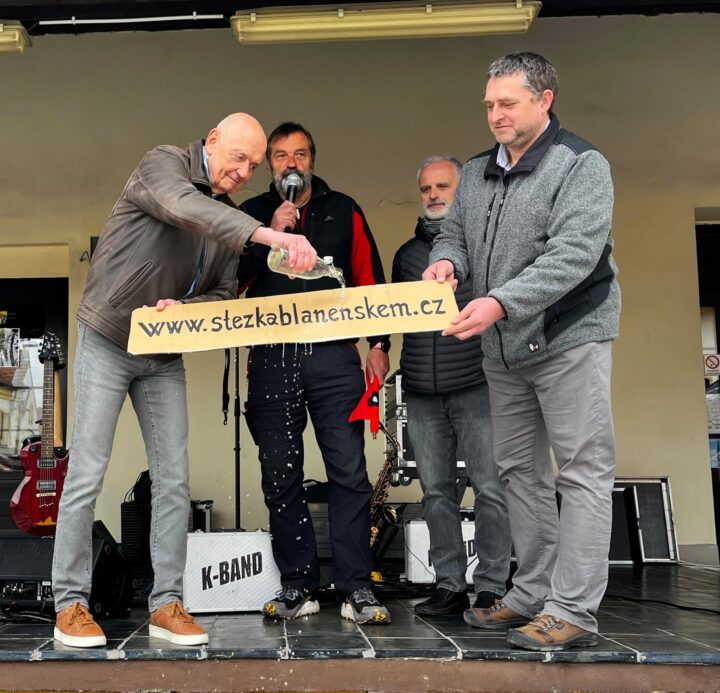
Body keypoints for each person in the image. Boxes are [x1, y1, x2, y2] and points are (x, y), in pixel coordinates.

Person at [51, 113, 318, 648]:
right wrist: (267, 233)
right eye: (238, 157)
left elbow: (221, 292)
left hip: (163, 350)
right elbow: (182, 206)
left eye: (253, 165)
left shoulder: (229, 218)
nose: (243, 172)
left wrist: (187, 307)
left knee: (173, 481)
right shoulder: (163, 163)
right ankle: (70, 604)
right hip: (108, 336)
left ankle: (167, 603)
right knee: (86, 473)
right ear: (212, 140)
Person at [424, 52, 620, 651]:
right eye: (489, 104)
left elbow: (573, 256)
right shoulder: (477, 170)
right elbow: (454, 234)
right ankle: (532, 593)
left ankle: (574, 609)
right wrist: (447, 263)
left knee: (582, 471)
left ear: (544, 100)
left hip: (568, 337)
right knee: (517, 471)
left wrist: (499, 303)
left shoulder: (581, 165)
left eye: (507, 103)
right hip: (504, 350)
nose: (496, 115)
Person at [238, 122, 391, 625]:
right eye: (281, 155)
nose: (291, 163)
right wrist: (271, 232)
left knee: (349, 472)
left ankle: (355, 587)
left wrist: (379, 344)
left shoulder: (343, 208)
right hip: (271, 355)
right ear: (269, 165)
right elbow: (230, 279)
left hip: (334, 356)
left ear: (312, 160)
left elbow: (369, 279)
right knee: (280, 476)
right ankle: (298, 585)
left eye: (300, 154)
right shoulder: (250, 214)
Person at [392, 155, 511, 617]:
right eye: (427, 188)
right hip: (422, 391)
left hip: (476, 384)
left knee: (490, 488)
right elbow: (396, 317)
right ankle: (449, 585)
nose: (434, 195)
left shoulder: (483, 246)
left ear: (461, 191)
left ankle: (492, 587)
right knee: (436, 493)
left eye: (443, 186)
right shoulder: (406, 255)